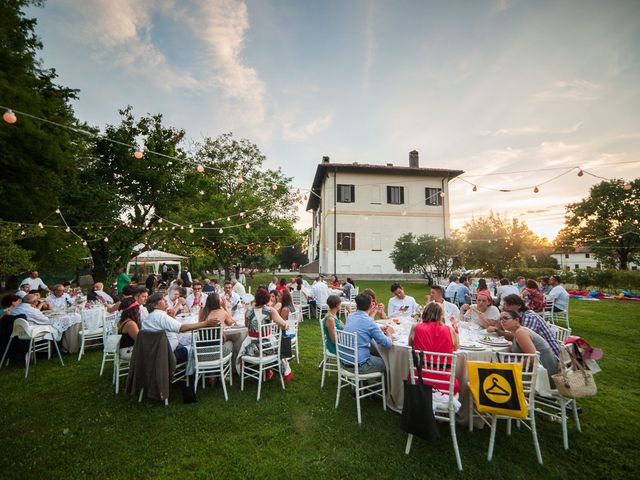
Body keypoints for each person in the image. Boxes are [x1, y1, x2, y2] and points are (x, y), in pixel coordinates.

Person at [141, 293, 211, 364]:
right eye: (162, 299)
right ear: (155, 305)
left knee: (189, 340)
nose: (165, 300)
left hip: (155, 354)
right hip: (168, 356)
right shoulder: (160, 316)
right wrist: (205, 323)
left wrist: (171, 317)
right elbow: (182, 328)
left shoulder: (151, 316)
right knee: (197, 347)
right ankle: (196, 373)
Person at [241, 287, 293, 381]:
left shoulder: (248, 311)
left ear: (256, 298)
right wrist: (286, 326)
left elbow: (246, 325)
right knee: (280, 347)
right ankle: (279, 371)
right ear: (267, 299)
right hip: (266, 347)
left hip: (249, 348)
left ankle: (266, 371)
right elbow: (283, 324)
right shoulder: (270, 311)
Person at [408, 302, 459, 393]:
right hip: (445, 382)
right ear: (441, 315)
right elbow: (456, 348)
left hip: (419, 379)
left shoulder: (416, 327)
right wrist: (455, 327)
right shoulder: (449, 329)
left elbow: (410, 346)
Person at [492, 294, 561, 358]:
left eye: (509, 304)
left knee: (499, 359)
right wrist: (502, 316)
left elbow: (521, 338)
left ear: (519, 305)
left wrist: (497, 331)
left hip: (550, 356)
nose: (506, 307)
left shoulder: (529, 317)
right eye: (505, 304)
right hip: (536, 353)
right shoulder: (517, 317)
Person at [498, 310, 558, 381]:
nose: (502, 321)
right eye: (500, 319)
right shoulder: (519, 331)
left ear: (516, 320)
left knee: (498, 370)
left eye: (505, 318)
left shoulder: (521, 333)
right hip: (544, 369)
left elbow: (533, 357)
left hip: (542, 375)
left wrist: (513, 367)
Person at [343, 293, 394, 375]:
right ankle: (387, 386)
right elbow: (387, 344)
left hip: (345, 361)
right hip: (359, 366)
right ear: (371, 306)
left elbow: (362, 327)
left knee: (374, 353)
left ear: (357, 305)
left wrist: (378, 328)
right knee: (389, 362)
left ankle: (368, 382)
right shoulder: (369, 322)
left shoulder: (351, 316)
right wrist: (389, 333)